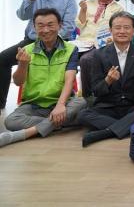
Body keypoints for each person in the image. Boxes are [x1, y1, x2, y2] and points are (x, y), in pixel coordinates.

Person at [1, 9, 86, 147]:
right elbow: (18, 82)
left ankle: (25, 133)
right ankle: (56, 124)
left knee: (81, 102)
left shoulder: (71, 49)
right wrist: (22, 64)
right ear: (34, 27)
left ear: (60, 25)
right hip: (33, 104)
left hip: (62, 102)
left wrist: (60, 105)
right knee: (10, 121)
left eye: (50, 25)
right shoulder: (27, 50)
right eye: (40, 25)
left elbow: (70, 80)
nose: (45, 30)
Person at [0, 0, 77, 114]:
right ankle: (1, 103)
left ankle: (59, 102)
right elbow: (22, 16)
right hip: (31, 41)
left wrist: (50, 38)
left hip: (57, 42)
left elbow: (68, 27)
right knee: (2, 59)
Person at [77, 11, 134, 147]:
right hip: (108, 106)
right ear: (110, 30)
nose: (122, 31)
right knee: (83, 115)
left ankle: (105, 133)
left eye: (126, 27)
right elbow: (96, 90)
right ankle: (126, 128)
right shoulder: (99, 55)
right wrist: (108, 80)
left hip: (133, 106)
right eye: (118, 27)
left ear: (133, 31)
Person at [76, 0, 125, 97]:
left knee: (86, 60)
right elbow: (80, 25)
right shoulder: (88, 4)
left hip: (106, 44)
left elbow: (119, 28)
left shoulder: (118, 8)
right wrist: (82, 10)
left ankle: (88, 96)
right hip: (84, 42)